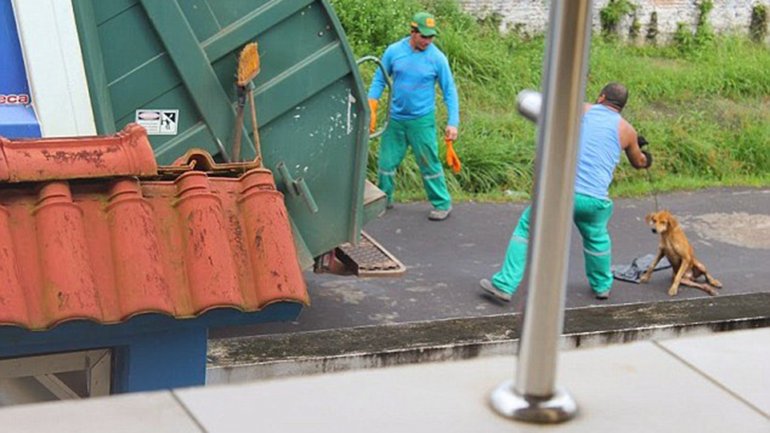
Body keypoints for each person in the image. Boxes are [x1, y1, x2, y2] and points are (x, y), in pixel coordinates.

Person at [480, 82, 651, 302]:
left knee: (526, 228)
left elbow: (547, 111)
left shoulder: (582, 109)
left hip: (561, 195)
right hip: (595, 201)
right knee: (597, 239)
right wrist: (640, 149)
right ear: (621, 107)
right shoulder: (627, 130)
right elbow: (640, 162)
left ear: (601, 97)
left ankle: (504, 284)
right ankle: (602, 286)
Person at [367, 11, 460, 221]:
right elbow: (379, 79)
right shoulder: (394, 52)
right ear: (413, 32)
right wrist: (371, 104)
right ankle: (385, 200)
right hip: (396, 119)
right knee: (386, 164)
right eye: (424, 36)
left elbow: (449, 91)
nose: (428, 41)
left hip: (422, 121)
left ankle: (442, 204)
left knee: (429, 163)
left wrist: (453, 122)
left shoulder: (437, 58)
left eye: (431, 36)